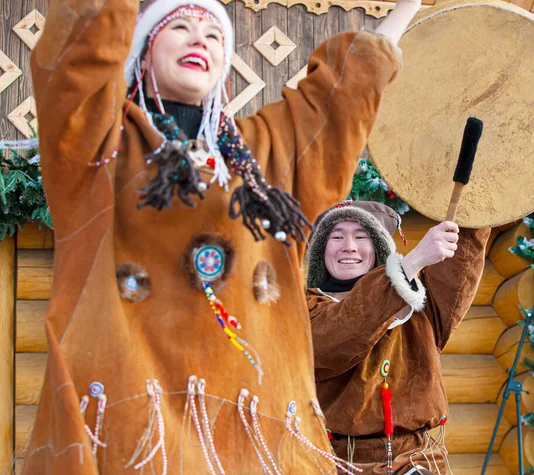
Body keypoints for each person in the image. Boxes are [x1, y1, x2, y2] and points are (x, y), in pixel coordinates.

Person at [23, 0, 423, 472]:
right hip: (126, 421)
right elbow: (77, 61)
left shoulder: (262, 158)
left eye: (214, 36)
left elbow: (338, 101)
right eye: (181, 27)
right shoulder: (99, 143)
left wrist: (408, 7)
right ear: (142, 52)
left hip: (247, 431)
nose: (200, 39)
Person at [306, 201, 491, 474]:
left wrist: (476, 198)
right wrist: (410, 264)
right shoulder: (304, 309)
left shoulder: (422, 305)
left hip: (418, 462)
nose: (349, 246)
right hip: (333, 464)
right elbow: (333, 340)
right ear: (321, 249)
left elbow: (461, 255)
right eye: (336, 236)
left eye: (361, 236)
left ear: (380, 248)